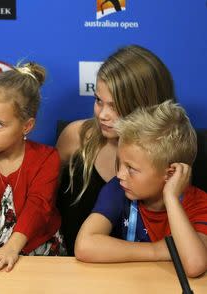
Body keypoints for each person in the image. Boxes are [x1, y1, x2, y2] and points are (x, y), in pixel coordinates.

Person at [55, 45, 176, 255]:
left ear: (146, 105)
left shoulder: (170, 155)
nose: (102, 115)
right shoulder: (75, 138)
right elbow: (43, 204)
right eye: (98, 101)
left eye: (115, 106)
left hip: (144, 278)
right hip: (72, 273)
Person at [74, 101, 207, 278]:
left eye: (131, 168)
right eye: (120, 162)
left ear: (170, 174)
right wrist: (155, 251)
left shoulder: (199, 203)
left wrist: (171, 198)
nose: (120, 174)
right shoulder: (118, 189)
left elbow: (194, 265)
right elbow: (84, 246)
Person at [0, 62, 66, 273]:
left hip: (38, 253)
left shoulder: (47, 158)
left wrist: (11, 248)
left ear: (27, 126)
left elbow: (38, 207)